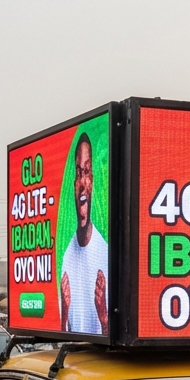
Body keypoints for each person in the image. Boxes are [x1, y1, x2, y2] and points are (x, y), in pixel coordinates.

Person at [59, 133, 109, 336]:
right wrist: (64, 311)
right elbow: (62, 337)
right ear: (73, 182)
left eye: (86, 172)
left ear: (92, 180)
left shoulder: (105, 255)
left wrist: (104, 316)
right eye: (78, 173)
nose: (82, 181)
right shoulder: (67, 258)